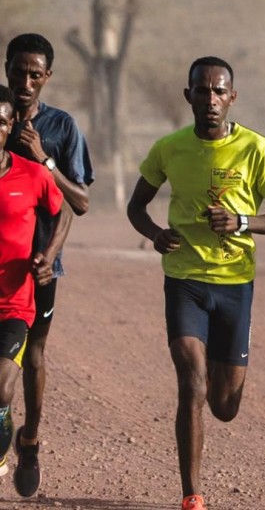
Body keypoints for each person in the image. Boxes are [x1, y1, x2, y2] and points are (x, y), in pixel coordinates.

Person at [126, 56, 265, 510]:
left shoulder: (256, 149)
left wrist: (242, 221)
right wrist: (155, 234)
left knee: (224, 405)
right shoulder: (170, 148)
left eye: (219, 91)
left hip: (236, 282)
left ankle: (226, 382)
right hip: (184, 278)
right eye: (202, 90)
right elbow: (135, 207)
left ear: (232, 97)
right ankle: (192, 495)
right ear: (189, 97)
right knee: (192, 382)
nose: (211, 99)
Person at [4, 33, 93, 498]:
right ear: (5, 69)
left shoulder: (61, 126)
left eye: (34, 74)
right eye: (17, 71)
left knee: (33, 355)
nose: (25, 81)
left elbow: (78, 202)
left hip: (39, 269)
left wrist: (44, 158)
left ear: (47, 78)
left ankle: (30, 441)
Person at [0, 84, 72, 481]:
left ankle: (16, 446)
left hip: (15, 301)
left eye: (0, 122)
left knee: (4, 386)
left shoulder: (30, 174)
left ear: (10, 127)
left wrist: (50, 252)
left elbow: (66, 211)